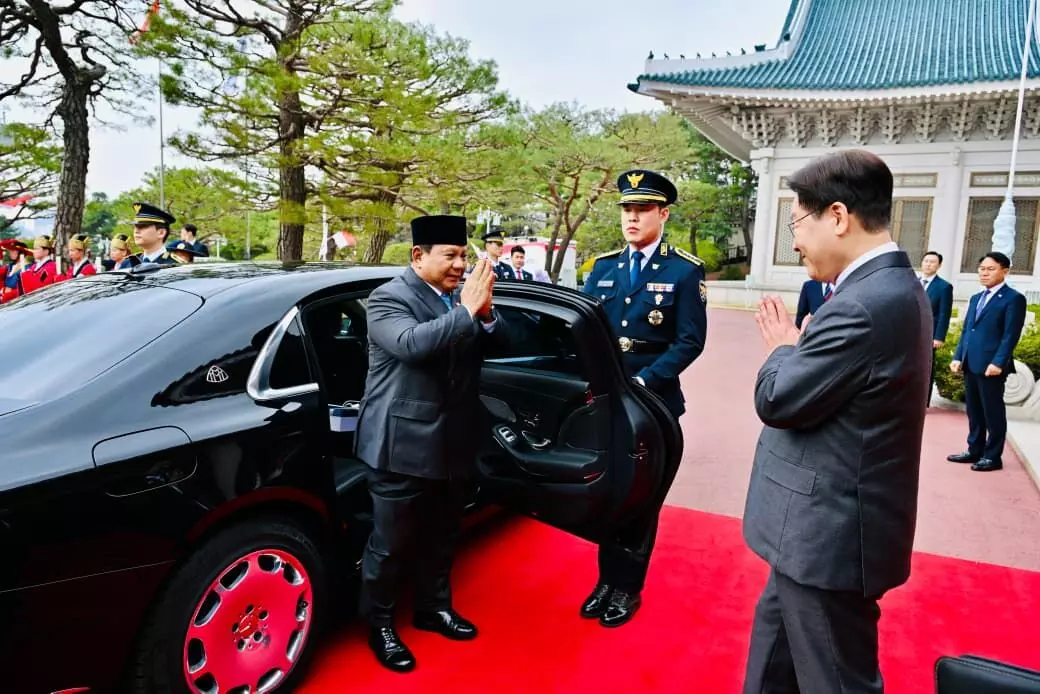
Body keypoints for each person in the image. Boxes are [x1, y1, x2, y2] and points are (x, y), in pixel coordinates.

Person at [743, 149, 930, 694]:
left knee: (836, 681)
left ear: (839, 216)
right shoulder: (888, 289)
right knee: (773, 669)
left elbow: (778, 399)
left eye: (797, 223)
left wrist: (783, 350)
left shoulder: (861, 305)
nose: (796, 241)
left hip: (827, 537)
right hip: (811, 533)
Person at [354, 215, 506, 673]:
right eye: (450, 256)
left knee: (443, 534)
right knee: (391, 543)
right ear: (418, 256)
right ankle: (379, 624)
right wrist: (468, 311)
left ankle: (433, 607)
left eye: (463, 256)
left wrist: (486, 314)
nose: (460, 265)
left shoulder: (460, 298)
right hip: (400, 444)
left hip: (454, 439)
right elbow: (411, 345)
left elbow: (499, 345)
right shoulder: (388, 298)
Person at [579, 169, 707, 627]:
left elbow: (690, 341)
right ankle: (605, 581)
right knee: (608, 495)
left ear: (663, 214)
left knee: (640, 499)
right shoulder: (603, 267)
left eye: (642, 210)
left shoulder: (684, 270)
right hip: (607, 402)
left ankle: (626, 588)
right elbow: (585, 331)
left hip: (652, 404)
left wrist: (646, 381)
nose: (632, 218)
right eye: (627, 210)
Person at [948, 251, 1027, 473]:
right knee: (974, 410)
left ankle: (992, 457)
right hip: (971, 362)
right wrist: (958, 356)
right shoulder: (976, 298)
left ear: (1005, 271)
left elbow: (1010, 335)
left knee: (993, 412)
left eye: (990, 269)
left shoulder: (1013, 299)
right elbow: (967, 330)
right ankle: (974, 450)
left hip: (992, 366)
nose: (984, 273)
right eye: (982, 269)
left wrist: (998, 362)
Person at [920, 250, 954, 406]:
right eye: (926, 261)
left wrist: (939, 337)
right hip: (910, 333)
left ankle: (923, 402)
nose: (928, 264)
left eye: (932, 262)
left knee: (926, 367)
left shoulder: (944, 287)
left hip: (929, 334)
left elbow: (944, 314)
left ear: (939, 265)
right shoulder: (914, 281)